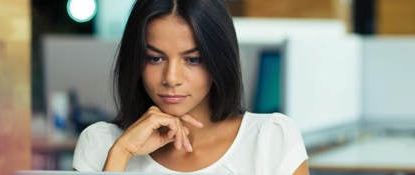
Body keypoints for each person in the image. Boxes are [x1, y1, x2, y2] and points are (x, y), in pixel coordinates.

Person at [72, 0, 309, 174]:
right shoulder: (101, 144)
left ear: (219, 60)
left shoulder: (271, 139)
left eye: (193, 59)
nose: (171, 78)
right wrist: (121, 153)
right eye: (155, 58)